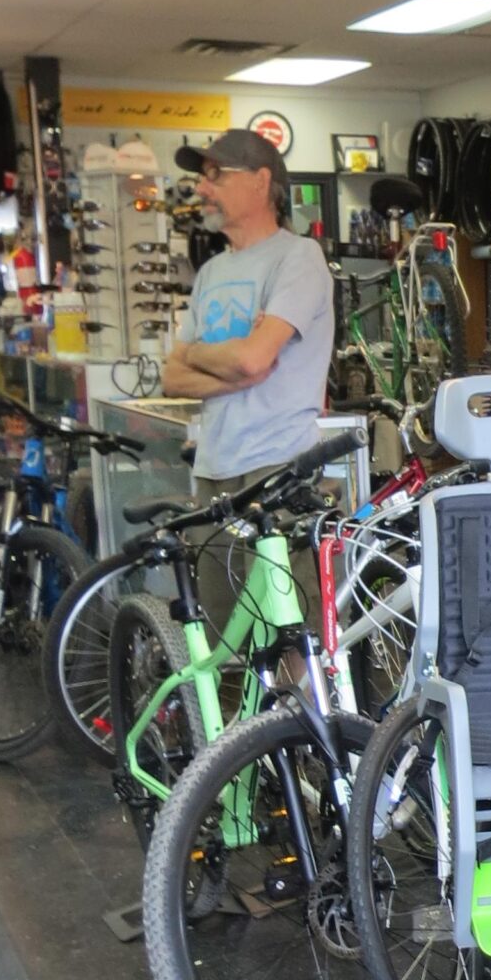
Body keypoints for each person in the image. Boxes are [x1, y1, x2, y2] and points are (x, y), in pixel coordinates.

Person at [162, 129, 334, 633]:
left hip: (278, 472)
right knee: (221, 635)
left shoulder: (298, 258)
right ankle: (238, 718)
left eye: (216, 175)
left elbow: (254, 361)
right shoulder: (211, 272)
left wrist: (222, 361)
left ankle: (295, 718)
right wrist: (226, 363)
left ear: (261, 182)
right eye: (201, 177)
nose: (202, 188)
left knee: (288, 633)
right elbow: (174, 375)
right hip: (214, 472)